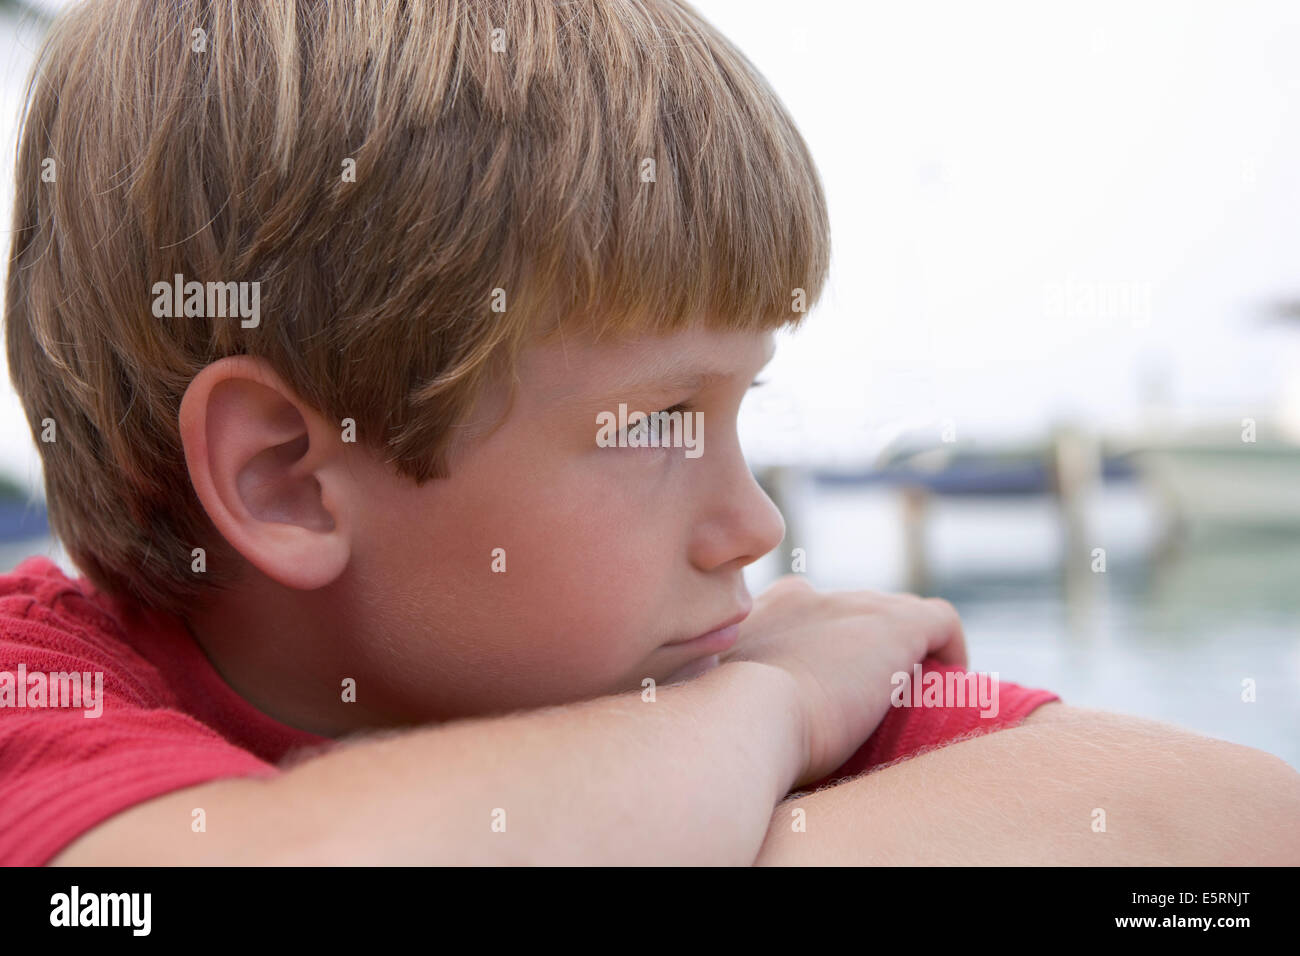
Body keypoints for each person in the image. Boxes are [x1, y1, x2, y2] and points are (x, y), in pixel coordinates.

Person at [2, 0, 1295, 866]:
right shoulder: (33, 695)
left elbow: (1241, 825)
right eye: (663, 420)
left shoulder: (694, 666)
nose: (757, 526)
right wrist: (770, 723)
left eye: (744, 410)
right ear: (289, 479)